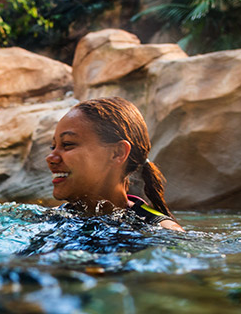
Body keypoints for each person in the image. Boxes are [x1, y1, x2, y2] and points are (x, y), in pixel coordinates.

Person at [45, 97, 184, 231]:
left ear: (117, 153)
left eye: (68, 144)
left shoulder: (161, 230)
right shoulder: (49, 219)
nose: (51, 158)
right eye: (53, 147)